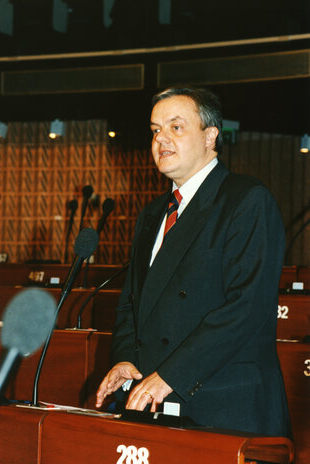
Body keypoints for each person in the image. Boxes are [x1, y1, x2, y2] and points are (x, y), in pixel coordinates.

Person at [96, 85, 291, 444]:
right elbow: (131, 303)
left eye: (176, 127)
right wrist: (125, 360)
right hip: (156, 401)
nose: (161, 140)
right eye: (155, 130)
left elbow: (247, 308)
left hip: (224, 406)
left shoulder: (246, 200)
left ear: (210, 135)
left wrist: (171, 375)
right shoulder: (153, 213)